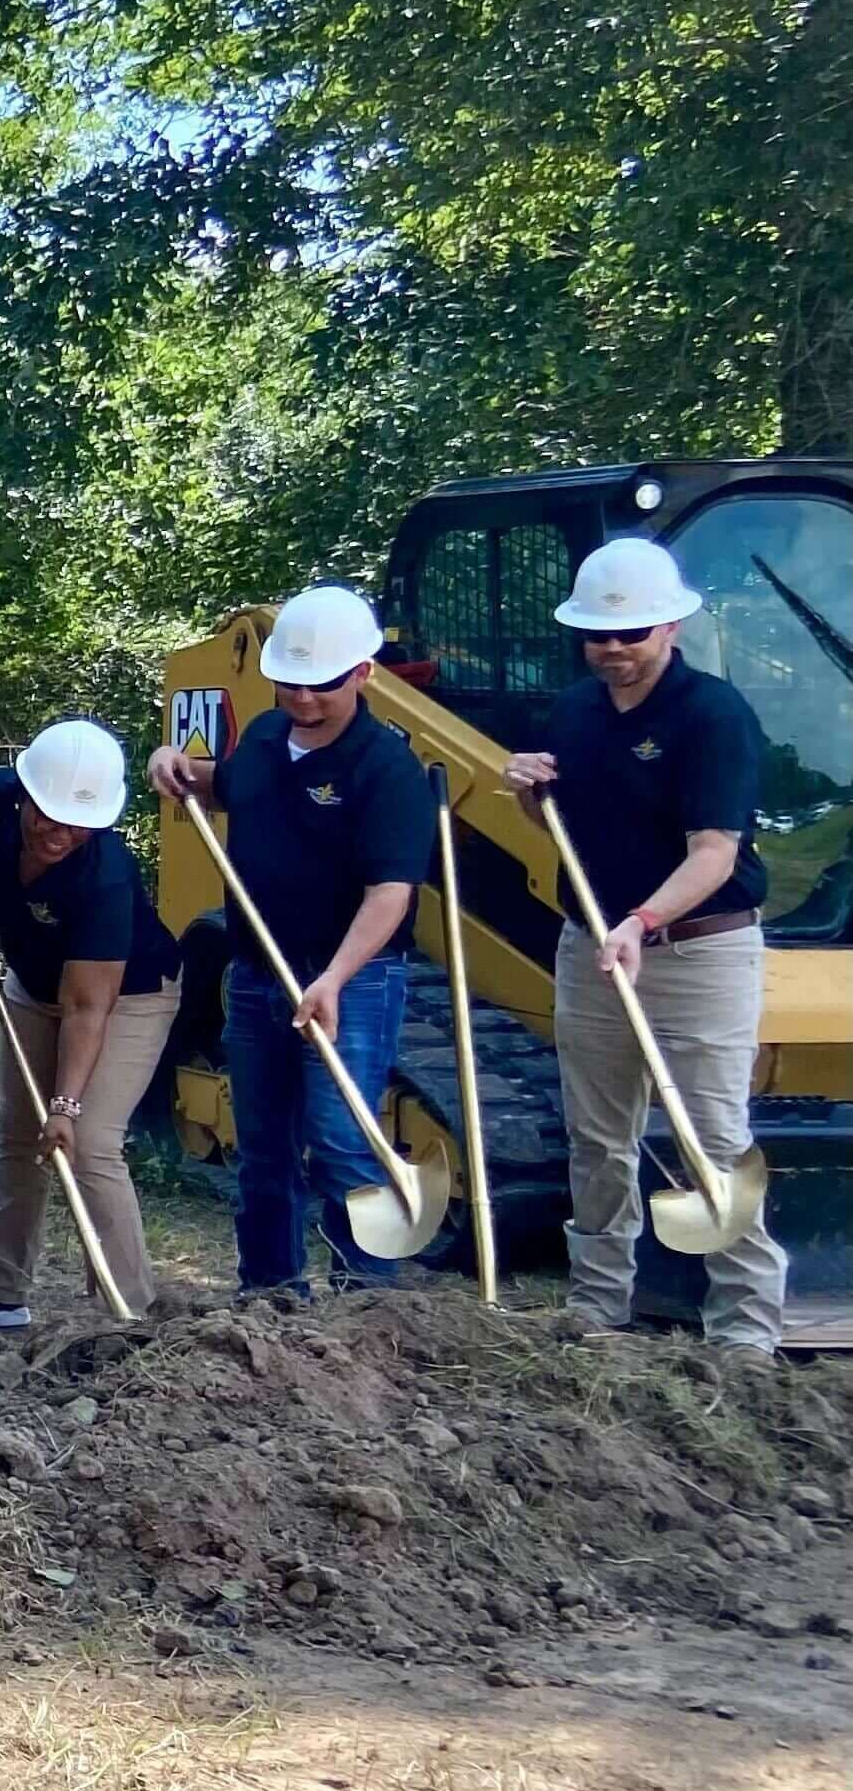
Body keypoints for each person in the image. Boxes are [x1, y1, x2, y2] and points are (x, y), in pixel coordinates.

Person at [502, 538, 785, 1352]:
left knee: (711, 1137)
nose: (614, 650)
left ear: (670, 626)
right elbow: (564, 831)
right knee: (596, 1135)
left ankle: (743, 1334)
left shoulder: (712, 715)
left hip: (697, 952)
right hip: (590, 946)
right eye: (599, 636)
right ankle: (596, 1307)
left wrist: (641, 921)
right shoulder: (572, 711)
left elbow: (713, 853)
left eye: (631, 634)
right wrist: (530, 796)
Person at [147, 582, 434, 1300]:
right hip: (254, 972)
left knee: (338, 1139)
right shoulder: (269, 735)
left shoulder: (385, 769)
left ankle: (365, 1301)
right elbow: (233, 787)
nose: (303, 698)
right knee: (263, 1146)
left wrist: (332, 979)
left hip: (350, 981)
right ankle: (269, 1294)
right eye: (291, 682)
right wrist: (182, 769)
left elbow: (389, 893)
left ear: (362, 674)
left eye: (322, 684)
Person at [0, 719, 178, 1331]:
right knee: (16, 1136)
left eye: (77, 824)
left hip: (128, 998)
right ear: (24, 795)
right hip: (34, 987)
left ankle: (128, 1313)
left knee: (86, 1142)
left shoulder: (104, 878)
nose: (60, 835)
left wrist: (64, 1104)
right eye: (48, 817)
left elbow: (88, 1008)